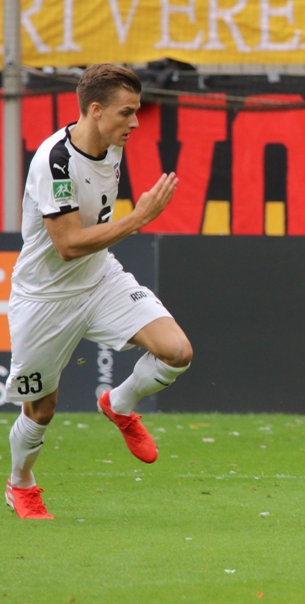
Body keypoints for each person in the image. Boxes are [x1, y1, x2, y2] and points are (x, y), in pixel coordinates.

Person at [4, 64, 192, 520]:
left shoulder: (111, 144)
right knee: (41, 409)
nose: (135, 122)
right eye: (127, 112)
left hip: (101, 278)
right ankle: (20, 484)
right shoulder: (55, 162)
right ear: (95, 110)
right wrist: (139, 218)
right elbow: (67, 245)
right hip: (46, 298)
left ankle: (119, 403)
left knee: (176, 352)